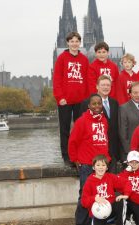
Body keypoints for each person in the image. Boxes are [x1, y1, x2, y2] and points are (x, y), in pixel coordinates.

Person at [68, 94, 110, 225]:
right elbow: (72, 142)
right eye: (94, 104)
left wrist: (107, 157)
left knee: (99, 194)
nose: (97, 106)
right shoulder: (81, 121)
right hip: (87, 165)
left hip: (102, 166)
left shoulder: (104, 120)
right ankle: (81, 222)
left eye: (99, 103)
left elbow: (105, 140)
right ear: (89, 106)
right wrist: (75, 159)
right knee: (85, 197)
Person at [53, 31, 89, 163]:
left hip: (81, 101)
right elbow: (57, 79)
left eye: (77, 41)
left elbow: (87, 80)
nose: (74, 44)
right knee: (65, 129)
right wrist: (59, 97)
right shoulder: (62, 58)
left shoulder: (84, 59)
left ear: (80, 43)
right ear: (67, 43)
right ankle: (66, 156)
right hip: (65, 101)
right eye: (72, 41)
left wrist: (87, 99)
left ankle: (79, 154)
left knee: (80, 130)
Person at [80, 75, 120, 173]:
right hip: (94, 153)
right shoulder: (87, 103)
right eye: (103, 85)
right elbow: (81, 129)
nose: (106, 87)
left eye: (108, 85)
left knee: (110, 184)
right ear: (97, 86)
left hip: (112, 152)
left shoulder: (114, 103)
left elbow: (116, 127)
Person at [81, 155, 131, 225]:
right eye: (98, 165)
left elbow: (126, 182)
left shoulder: (110, 177)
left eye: (103, 165)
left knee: (120, 200)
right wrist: (94, 198)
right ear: (93, 167)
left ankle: (121, 223)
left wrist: (126, 194)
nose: (101, 167)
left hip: (111, 208)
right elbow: (84, 201)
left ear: (107, 168)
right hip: (98, 211)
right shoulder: (89, 181)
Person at [117, 151, 139, 225]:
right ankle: (129, 219)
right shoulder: (123, 173)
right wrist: (126, 172)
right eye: (131, 162)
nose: (134, 164)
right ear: (127, 163)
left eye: (136, 162)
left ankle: (135, 219)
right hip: (127, 201)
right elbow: (118, 186)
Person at [118, 81, 139, 161]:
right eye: (135, 93)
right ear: (130, 94)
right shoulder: (123, 108)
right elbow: (123, 134)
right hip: (131, 152)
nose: (138, 95)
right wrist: (130, 153)